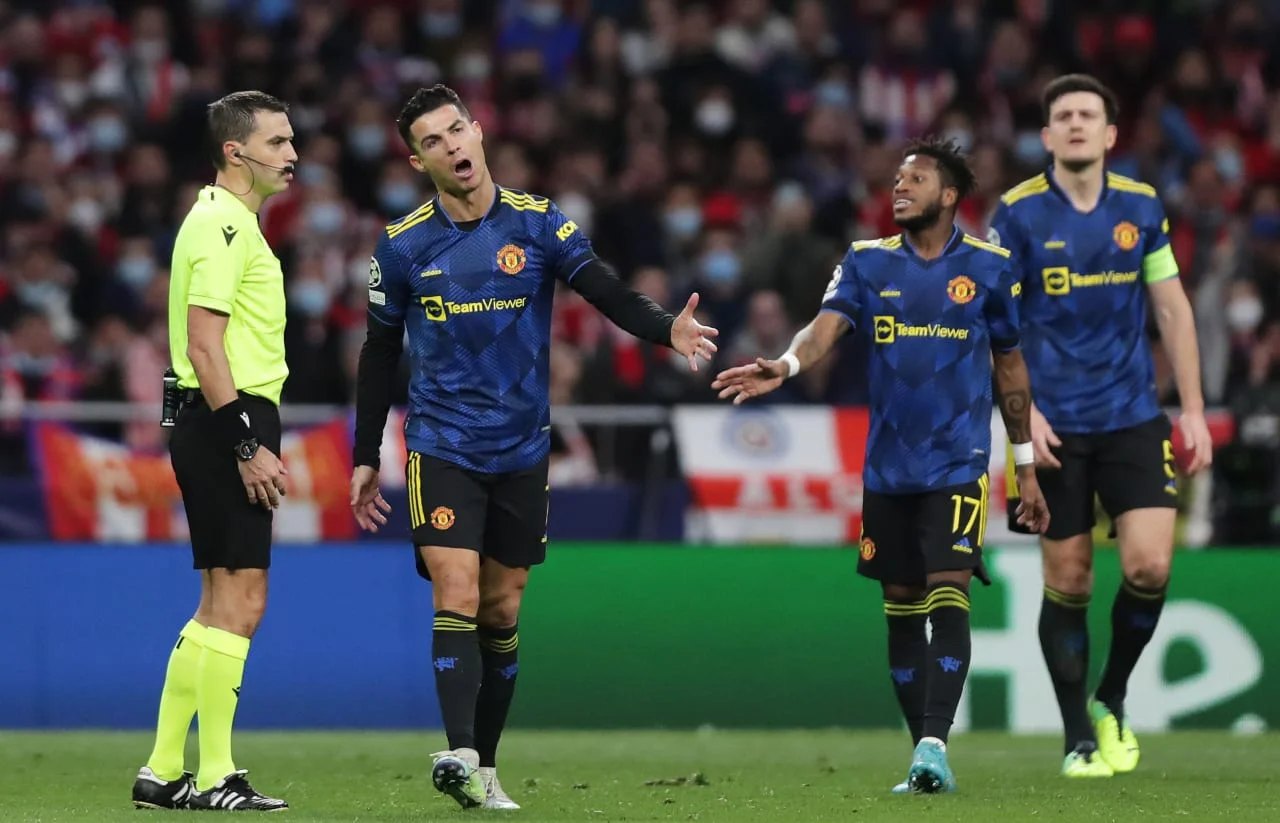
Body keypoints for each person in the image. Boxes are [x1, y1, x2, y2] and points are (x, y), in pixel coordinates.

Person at [348, 84, 718, 811]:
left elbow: (605, 289)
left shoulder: (539, 222)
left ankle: (485, 768)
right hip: (442, 443)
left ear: (478, 132)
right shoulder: (402, 246)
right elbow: (377, 352)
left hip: (520, 447)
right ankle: (459, 752)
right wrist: (366, 452)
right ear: (419, 161)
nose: (452, 146)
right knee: (456, 588)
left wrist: (665, 327)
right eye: (433, 141)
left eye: (457, 130)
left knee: (502, 607)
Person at [713, 137, 1050, 794]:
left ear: (949, 195)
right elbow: (823, 329)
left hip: (957, 461)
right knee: (900, 602)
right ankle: (921, 756)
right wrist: (786, 364)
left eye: (915, 179)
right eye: (897, 178)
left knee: (949, 588)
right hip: (887, 468)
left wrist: (1026, 466)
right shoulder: (865, 262)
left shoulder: (990, 267)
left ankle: (934, 744)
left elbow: (1010, 368)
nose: (899, 186)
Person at [988, 74, 1214, 779]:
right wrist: (1024, 414)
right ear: (1047, 135)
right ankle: (1076, 737)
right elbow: (994, 326)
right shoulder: (1017, 215)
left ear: (1111, 134)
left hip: (1132, 416)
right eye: (1064, 116)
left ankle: (1111, 697)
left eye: (1089, 114)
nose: (1077, 123)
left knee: (1150, 565)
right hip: (1052, 426)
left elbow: (1172, 307)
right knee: (1072, 577)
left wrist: (1194, 409)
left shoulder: (1140, 207)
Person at [131, 91, 296, 812]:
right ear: (236, 151)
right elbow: (205, 345)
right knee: (243, 599)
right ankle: (217, 775)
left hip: (213, 418)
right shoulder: (225, 225)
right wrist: (247, 442)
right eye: (277, 142)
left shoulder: (220, 220)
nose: (291, 155)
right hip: (230, 417)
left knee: (215, 604)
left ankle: (164, 769)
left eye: (291, 141)